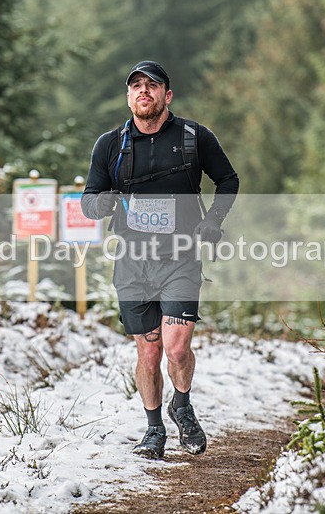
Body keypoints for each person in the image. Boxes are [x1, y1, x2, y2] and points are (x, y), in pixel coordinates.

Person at [81, 60, 239, 459]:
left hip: (181, 258)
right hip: (134, 261)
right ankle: (154, 430)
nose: (143, 91)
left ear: (167, 95)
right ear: (128, 96)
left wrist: (214, 221)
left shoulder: (194, 137)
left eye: (152, 85)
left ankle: (181, 406)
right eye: (135, 86)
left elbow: (228, 179)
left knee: (177, 349)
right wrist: (103, 203)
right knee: (148, 352)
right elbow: (87, 200)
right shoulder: (110, 144)